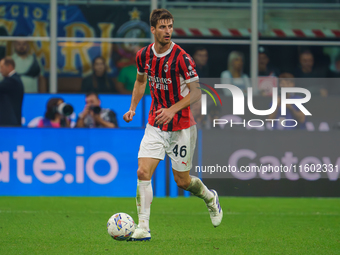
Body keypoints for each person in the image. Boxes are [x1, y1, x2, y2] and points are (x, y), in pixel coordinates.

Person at [123, 9, 223, 242]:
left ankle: (210, 198)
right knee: (142, 171)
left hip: (182, 127)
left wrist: (171, 110)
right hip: (156, 124)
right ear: (153, 29)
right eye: (163, 27)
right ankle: (143, 228)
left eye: (170, 26)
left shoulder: (182, 58)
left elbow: (197, 92)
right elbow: (140, 81)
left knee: (183, 181)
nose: (168, 31)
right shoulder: (143, 55)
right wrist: (133, 107)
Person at [0, 56, 24, 126]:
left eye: (2, 67)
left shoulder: (13, 80)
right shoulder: (11, 80)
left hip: (10, 123)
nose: (0, 70)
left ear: (9, 67)